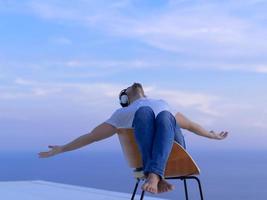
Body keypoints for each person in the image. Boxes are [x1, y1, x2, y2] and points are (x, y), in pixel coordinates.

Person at [38, 82, 228, 194]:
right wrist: (62, 148)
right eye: (125, 90)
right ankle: (155, 175)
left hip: (175, 153)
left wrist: (213, 136)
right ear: (125, 99)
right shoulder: (122, 113)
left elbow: (191, 125)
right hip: (149, 157)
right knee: (145, 113)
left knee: (165, 116)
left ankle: (154, 175)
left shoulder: (162, 103)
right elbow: (92, 136)